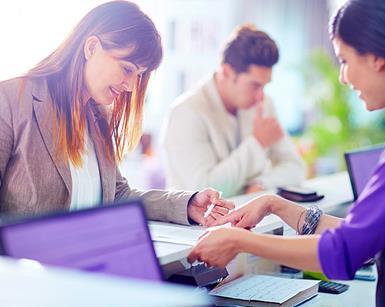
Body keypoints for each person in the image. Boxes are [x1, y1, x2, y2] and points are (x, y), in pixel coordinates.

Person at [188, 1, 385, 306]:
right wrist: (275, 204)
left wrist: (240, 241)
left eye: (344, 60)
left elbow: (347, 250)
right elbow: (364, 235)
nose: (342, 76)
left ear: (376, 58)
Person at [0, 1, 234, 227]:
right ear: (91, 48)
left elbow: (117, 195)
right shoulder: (11, 101)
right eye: (127, 69)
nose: (131, 86)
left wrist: (186, 204)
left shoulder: (97, 117)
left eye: (139, 75)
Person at [160, 24, 305, 197]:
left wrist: (261, 184)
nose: (261, 96)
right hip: (201, 224)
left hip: (252, 219)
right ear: (227, 72)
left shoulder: (263, 104)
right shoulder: (186, 113)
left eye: (265, 86)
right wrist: (257, 144)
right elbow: (204, 189)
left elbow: (295, 168)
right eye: (255, 85)